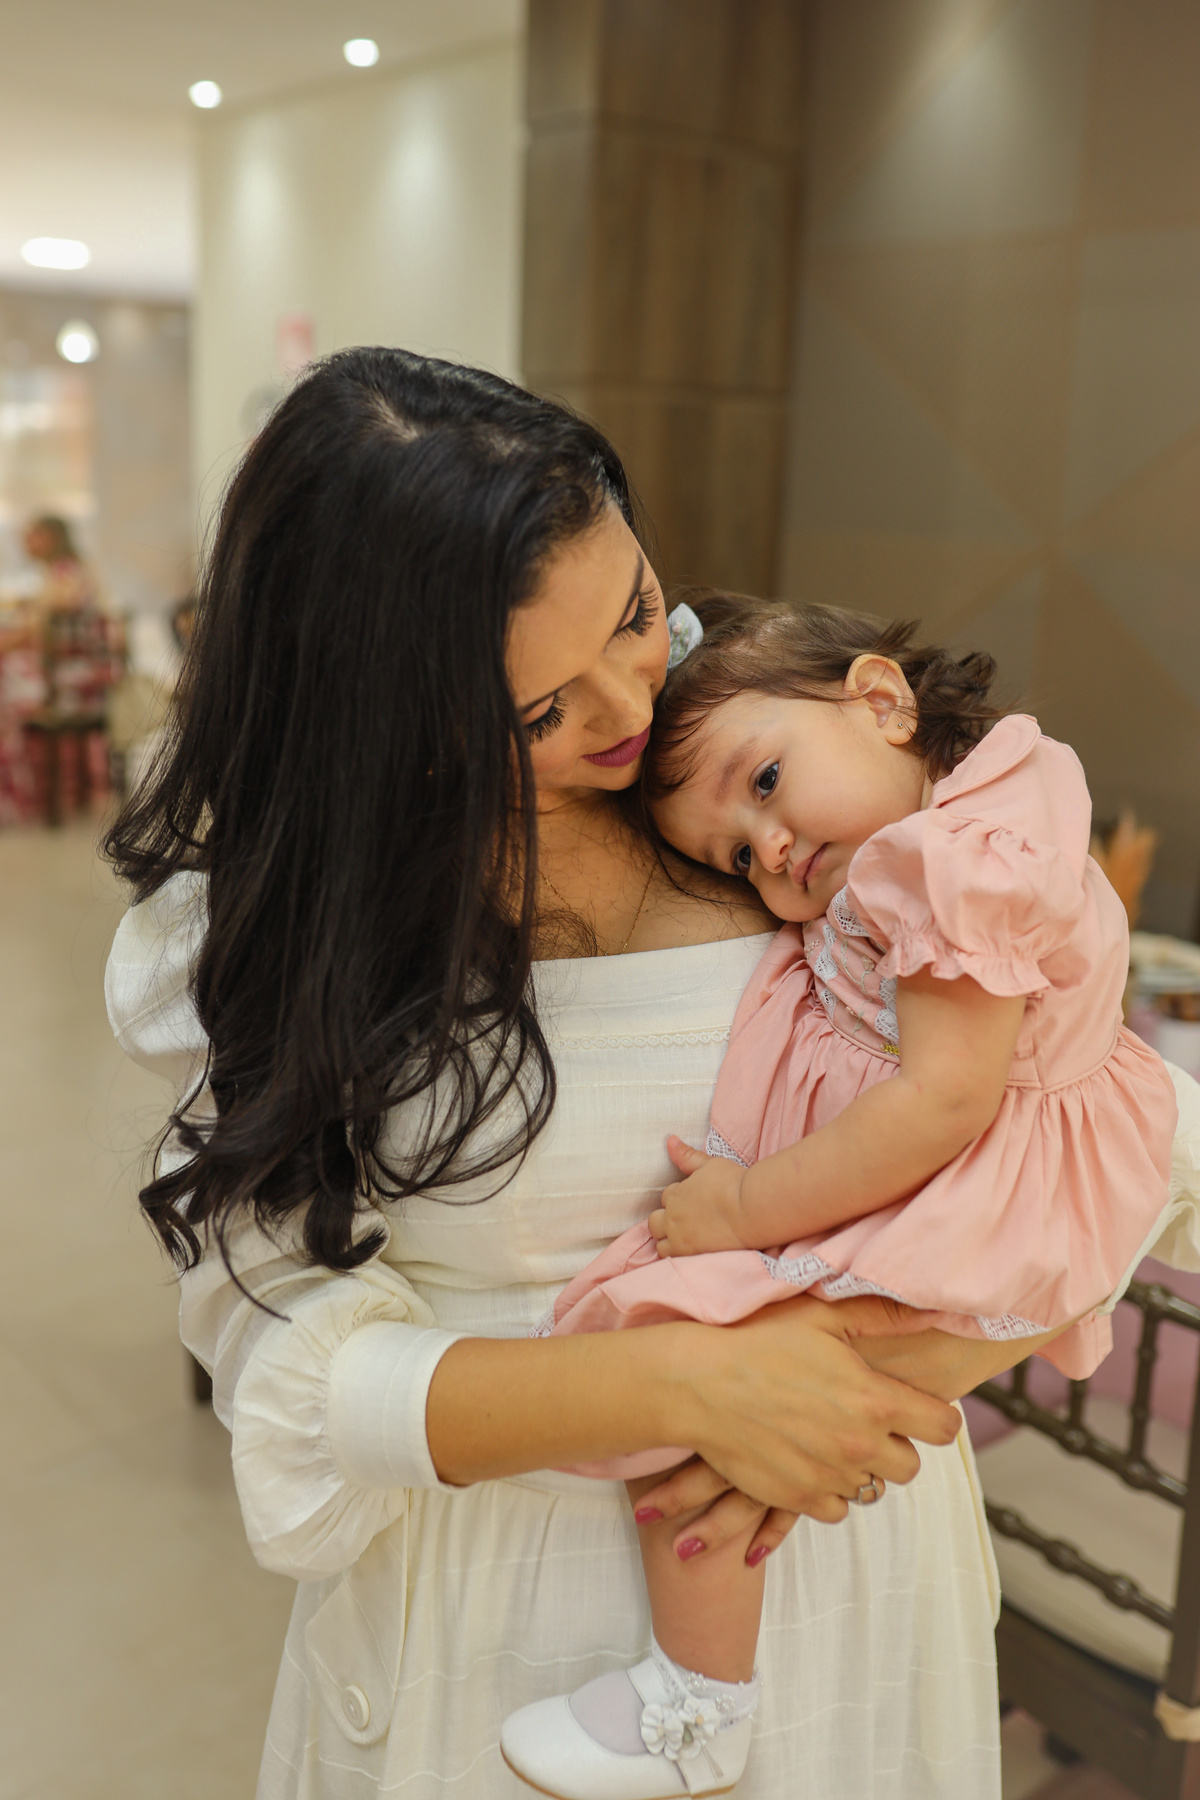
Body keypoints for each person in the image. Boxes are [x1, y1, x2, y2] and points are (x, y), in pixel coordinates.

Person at [105, 348, 1088, 1800]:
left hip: (849, 1557)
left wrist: (916, 1356)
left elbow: (1076, 1110)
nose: (634, 704)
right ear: (384, 721)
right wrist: (681, 1380)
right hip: (509, 1615)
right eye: (539, 713)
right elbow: (283, 1363)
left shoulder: (768, 764)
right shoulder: (290, 927)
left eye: (633, 613)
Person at [503, 594, 1188, 1797]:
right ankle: (701, 1686)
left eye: (766, 783)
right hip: (970, 1185)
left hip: (978, 1198)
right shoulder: (938, 838)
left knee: (691, 1355)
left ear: (881, 702)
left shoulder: (947, 869)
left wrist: (743, 1210)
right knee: (714, 1406)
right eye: (733, 854)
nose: (766, 850)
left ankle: (698, 1703)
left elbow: (942, 1105)